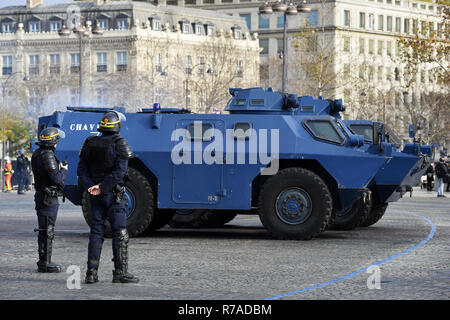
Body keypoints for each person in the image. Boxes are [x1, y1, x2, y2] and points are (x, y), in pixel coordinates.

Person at [77, 110, 138, 284]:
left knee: (96, 231)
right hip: (112, 194)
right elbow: (120, 172)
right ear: (117, 126)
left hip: (94, 195)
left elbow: (81, 170)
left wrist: (92, 187)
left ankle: (91, 273)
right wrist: (103, 187)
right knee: (120, 232)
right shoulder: (120, 143)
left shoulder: (89, 142)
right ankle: (120, 273)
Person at [31, 127, 68, 273]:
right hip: (48, 197)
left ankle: (43, 260)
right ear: (53, 142)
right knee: (48, 230)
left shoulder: (37, 153)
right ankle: (45, 262)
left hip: (42, 195)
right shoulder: (47, 155)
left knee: (44, 229)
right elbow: (56, 179)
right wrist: (64, 170)